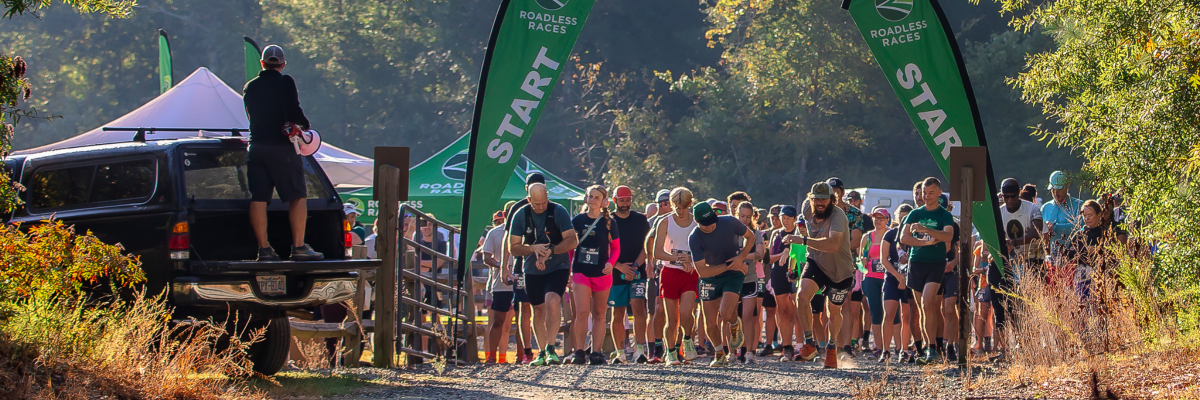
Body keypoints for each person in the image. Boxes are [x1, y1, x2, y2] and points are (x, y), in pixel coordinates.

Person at [243, 44, 322, 262]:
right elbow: (293, 108)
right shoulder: (285, 81)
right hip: (281, 148)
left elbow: (250, 114)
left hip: (256, 147)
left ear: (262, 63)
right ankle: (298, 247)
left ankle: (264, 249)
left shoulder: (250, 87)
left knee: (259, 198)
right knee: (298, 196)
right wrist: (305, 125)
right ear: (283, 64)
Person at [507, 183, 579, 366]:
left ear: (548, 196)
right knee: (537, 308)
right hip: (532, 268)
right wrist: (532, 248)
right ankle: (541, 350)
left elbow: (572, 240)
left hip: (558, 265)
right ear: (529, 199)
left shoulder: (558, 211)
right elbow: (513, 247)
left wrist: (552, 250)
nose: (540, 207)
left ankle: (551, 348)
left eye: (544, 203)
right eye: (536, 204)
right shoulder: (521, 215)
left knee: (553, 300)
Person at [787, 182, 856, 369]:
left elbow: (834, 245)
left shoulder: (838, 216)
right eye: (816, 199)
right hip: (816, 262)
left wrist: (803, 240)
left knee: (833, 312)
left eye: (824, 199)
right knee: (801, 296)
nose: (819, 203)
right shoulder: (806, 208)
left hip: (840, 270)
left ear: (832, 200)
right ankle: (810, 344)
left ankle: (832, 347)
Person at [688, 202, 756, 367]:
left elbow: (751, 237)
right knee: (710, 322)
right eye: (706, 225)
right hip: (711, 276)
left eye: (712, 221)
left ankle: (734, 323)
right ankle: (719, 353)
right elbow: (703, 272)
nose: (711, 226)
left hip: (733, 274)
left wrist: (741, 258)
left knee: (725, 313)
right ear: (697, 223)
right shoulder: (694, 237)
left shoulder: (729, 222)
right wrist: (729, 265)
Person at [900, 177, 956, 365]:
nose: (927, 196)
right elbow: (904, 238)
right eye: (924, 192)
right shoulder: (915, 213)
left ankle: (933, 348)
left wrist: (926, 230)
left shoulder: (944, 215)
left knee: (928, 301)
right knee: (923, 308)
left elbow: (948, 235)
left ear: (939, 193)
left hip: (936, 263)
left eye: (931, 193)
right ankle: (927, 347)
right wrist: (924, 242)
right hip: (916, 263)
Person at [568, 185, 620, 365]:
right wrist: (569, 272)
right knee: (582, 312)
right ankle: (579, 351)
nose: (592, 200)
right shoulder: (577, 220)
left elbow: (616, 248)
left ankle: (596, 352)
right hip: (581, 271)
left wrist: (611, 263)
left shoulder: (609, 222)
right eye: (590, 196)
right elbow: (569, 248)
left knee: (599, 313)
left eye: (597, 197)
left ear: (604, 201)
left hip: (602, 272)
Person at [652, 188, 700, 365]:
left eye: (684, 208)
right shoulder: (665, 222)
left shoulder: (696, 223)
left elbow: (703, 250)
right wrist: (678, 258)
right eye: (677, 208)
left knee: (687, 312)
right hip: (670, 272)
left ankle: (687, 338)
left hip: (689, 272)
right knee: (672, 319)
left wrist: (691, 260)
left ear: (690, 205)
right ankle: (670, 351)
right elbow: (657, 252)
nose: (680, 211)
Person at [503, 173, 546, 364]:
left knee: (542, 307)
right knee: (523, 308)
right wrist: (505, 265)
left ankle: (545, 349)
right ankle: (527, 352)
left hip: (545, 263)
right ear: (526, 190)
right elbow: (508, 238)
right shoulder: (517, 208)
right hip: (522, 263)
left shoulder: (551, 208)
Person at [608, 186, 651, 364]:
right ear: (614, 200)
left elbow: (647, 246)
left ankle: (639, 349)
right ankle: (620, 352)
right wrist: (618, 266)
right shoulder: (608, 221)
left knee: (639, 307)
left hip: (637, 271)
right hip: (615, 272)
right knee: (617, 313)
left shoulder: (640, 219)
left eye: (628, 200)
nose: (625, 204)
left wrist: (634, 266)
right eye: (622, 200)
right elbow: (605, 247)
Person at [826, 178, 867, 358]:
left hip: (845, 261)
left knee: (846, 302)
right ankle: (831, 345)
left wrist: (836, 250)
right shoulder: (821, 211)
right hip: (824, 262)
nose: (834, 192)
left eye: (837, 189)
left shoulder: (854, 213)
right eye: (830, 189)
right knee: (830, 305)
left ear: (842, 191)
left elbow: (856, 240)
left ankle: (847, 346)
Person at [642, 188, 673, 364]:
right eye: (661, 203)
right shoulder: (653, 221)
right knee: (654, 311)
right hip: (657, 270)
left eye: (667, 202)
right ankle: (653, 349)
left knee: (673, 310)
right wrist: (649, 261)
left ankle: (674, 348)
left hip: (675, 268)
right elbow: (648, 242)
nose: (664, 206)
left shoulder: (681, 221)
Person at [734, 201, 766, 363]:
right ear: (736, 214)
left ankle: (749, 351)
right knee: (731, 315)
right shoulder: (730, 230)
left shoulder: (755, 232)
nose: (744, 219)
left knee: (748, 316)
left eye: (747, 217)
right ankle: (731, 351)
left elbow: (760, 253)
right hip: (731, 278)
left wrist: (740, 256)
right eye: (741, 216)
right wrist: (748, 255)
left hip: (750, 278)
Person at [879, 205, 911, 363]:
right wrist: (898, 277)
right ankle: (885, 351)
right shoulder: (890, 234)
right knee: (889, 313)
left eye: (907, 217)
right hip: (892, 277)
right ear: (897, 217)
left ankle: (904, 350)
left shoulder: (913, 235)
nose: (904, 220)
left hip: (909, 279)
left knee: (907, 316)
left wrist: (905, 278)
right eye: (901, 216)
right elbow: (883, 259)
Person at [767, 205, 801, 361]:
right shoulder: (776, 234)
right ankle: (787, 346)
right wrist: (783, 253)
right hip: (778, 273)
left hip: (797, 273)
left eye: (788, 218)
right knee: (782, 311)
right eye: (783, 218)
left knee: (798, 310)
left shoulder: (799, 233)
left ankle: (801, 345)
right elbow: (769, 258)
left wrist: (791, 253)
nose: (785, 221)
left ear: (795, 219)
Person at [482, 209, 515, 364]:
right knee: (496, 321)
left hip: (520, 279)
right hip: (499, 281)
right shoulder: (494, 233)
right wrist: (501, 266)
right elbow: (486, 257)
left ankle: (511, 356)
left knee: (515, 321)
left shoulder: (527, 230)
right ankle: (491, 356)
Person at [934, 194, 962, 363]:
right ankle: (937, 344)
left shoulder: (955, 226)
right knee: (934, 308)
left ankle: (951, 344)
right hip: (935, 270)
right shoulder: (930, 224)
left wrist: (954, 262)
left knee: (950, 309)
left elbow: (960, 248)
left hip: (951, 270)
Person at [861, 206, 891, 361]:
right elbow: (859, 261)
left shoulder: (891, 234)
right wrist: (863, 261)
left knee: (891, 312)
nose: (878, 221)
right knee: (875, 312)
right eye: (875, 218)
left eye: (881, 218)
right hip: (871, 277)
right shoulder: (867, 237)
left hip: (888, 277)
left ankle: (893, 347)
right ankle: (879, 347)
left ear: (887, 220)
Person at [1042, 171, 1084, 264]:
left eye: (1059, 189)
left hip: (1073, 257)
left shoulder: (1078, 206)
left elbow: (1079, 228)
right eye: (1053, 189)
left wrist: (1055, 227)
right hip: (1050, 259)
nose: (1056, 192)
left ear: (1067, 187)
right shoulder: (1045, 208)